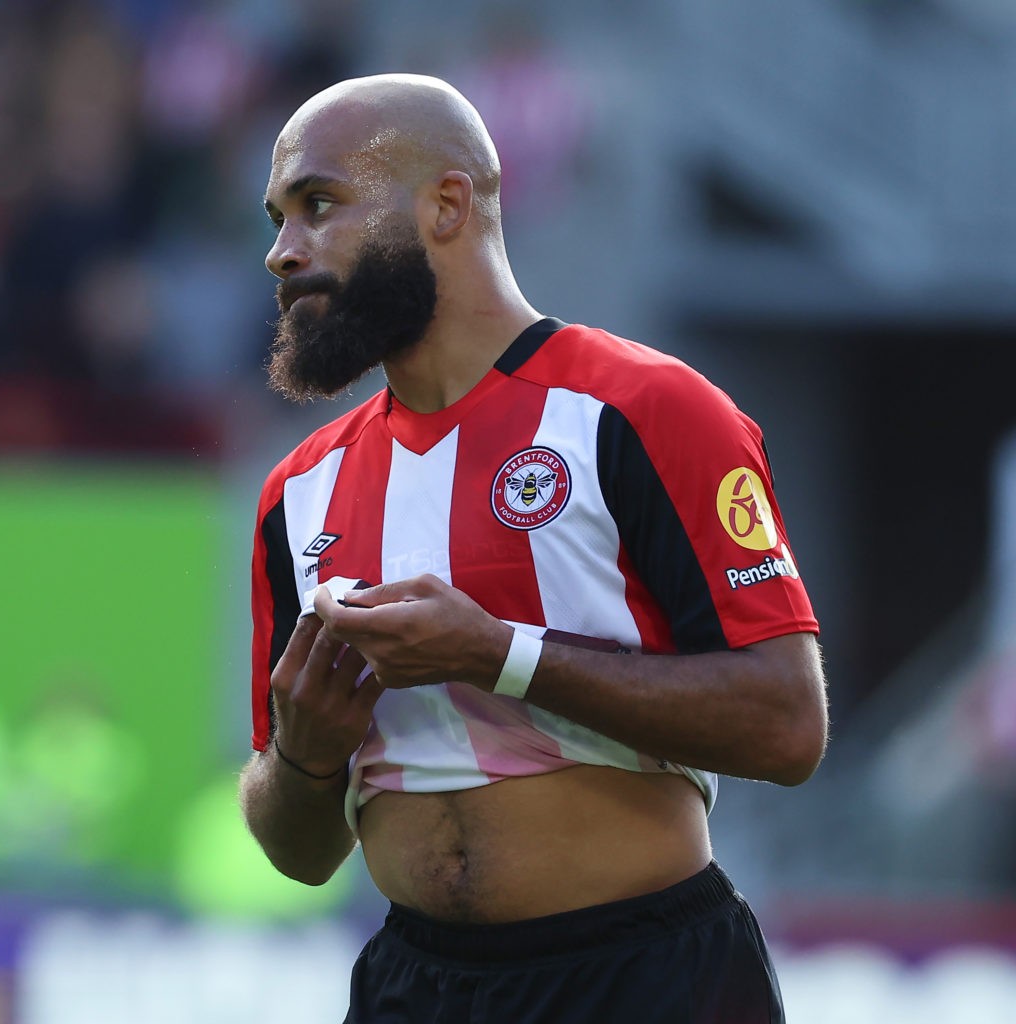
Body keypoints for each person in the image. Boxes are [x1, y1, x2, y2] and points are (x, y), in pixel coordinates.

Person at [239, 73, 827, 1024]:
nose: (282, 251)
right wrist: (304, 759)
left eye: (318, 204)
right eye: (278, 219)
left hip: (643, 979)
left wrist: (496, 654)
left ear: (446, 205)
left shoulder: (644, 411)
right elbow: (298, 854)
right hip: (413, 987)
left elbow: (789, 727)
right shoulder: (297, 493)